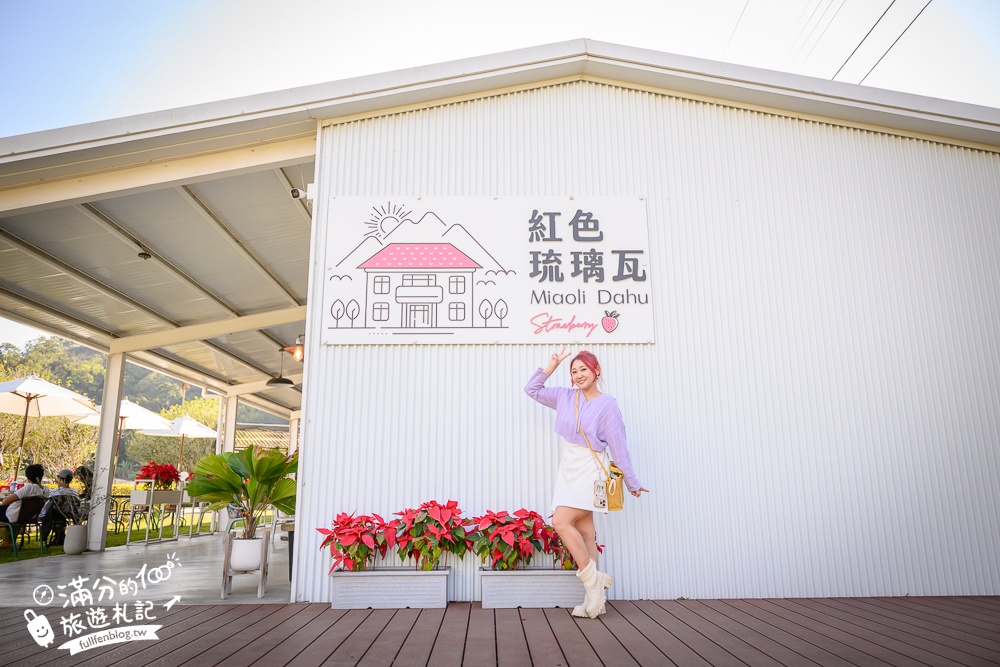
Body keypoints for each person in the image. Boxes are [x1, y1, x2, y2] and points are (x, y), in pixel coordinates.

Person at [525, 347, 649, 619]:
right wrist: (552, 365)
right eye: (574, 371)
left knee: (560, 520)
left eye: (583, 369)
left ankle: (593, 582)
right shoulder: (564, 397)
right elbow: (532, 389)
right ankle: (596, 601)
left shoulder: (607, 405)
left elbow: (618, 445)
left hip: (591, 469)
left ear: (596, 371)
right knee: (586, 532)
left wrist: (632, 481)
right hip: (569, 466)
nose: (578, 375)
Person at [0, 463, 50, 547]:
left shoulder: (29, 488)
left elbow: (5, 501)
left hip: (14, 516)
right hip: (31, 517)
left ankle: (8, 540)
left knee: (3, 508)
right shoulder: (45, 490)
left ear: (27, 477)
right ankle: (8, 540)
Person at [40, 469, 81, 545]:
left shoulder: (54, 492)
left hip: (53, 515)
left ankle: (56, 537)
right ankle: (60, 537)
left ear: (59, 479)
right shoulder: (74, 492)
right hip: (70, 514)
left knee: (51, 512)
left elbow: (47, 502)